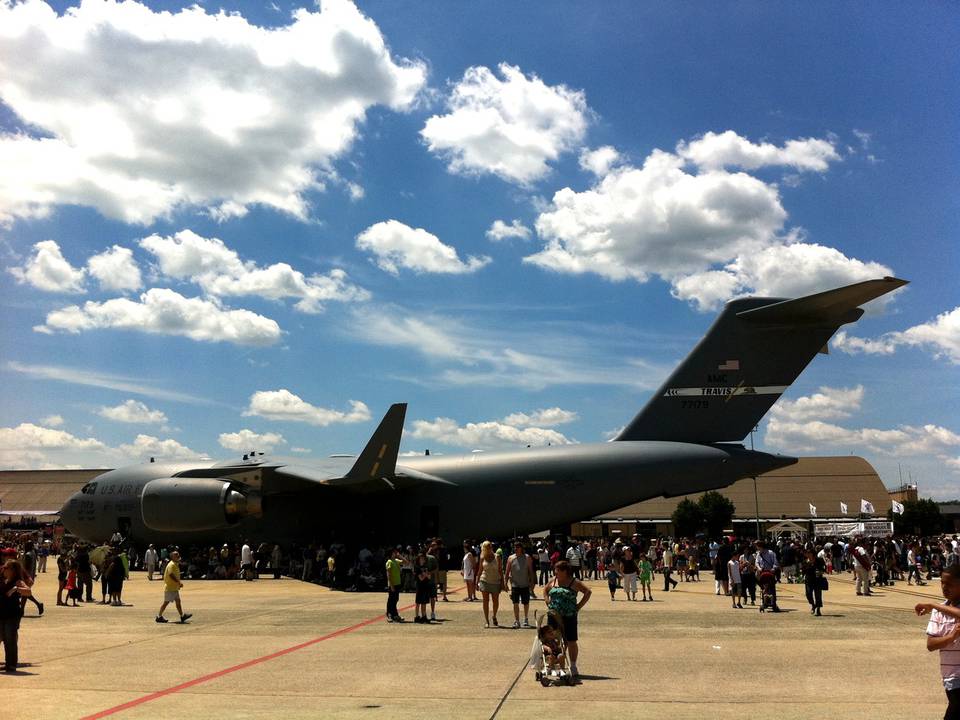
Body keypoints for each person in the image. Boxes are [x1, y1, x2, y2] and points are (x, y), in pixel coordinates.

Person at [916, 564, 960, 720]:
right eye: (942, 582)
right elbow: (931, 645)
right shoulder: (939, 611)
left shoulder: (937, 608)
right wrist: (951, 637)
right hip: (952, 676)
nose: (944, 587)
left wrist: (933, 605)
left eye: (949, 584)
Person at [543, 560, 591, 678]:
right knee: (553, 641)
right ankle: (552, 665)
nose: (555, 572)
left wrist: (578, 606)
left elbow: (588, 592)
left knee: (571, 640)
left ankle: (573, 666)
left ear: (565, 571)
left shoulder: (574, 582)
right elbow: (545, 590)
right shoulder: (553, 581)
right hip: (553, 616)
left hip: (569, 616)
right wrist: (547, 602)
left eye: (557, 570)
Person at [1, 560, 33, 672]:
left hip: (12, 614)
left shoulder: (17, 581)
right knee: (4, 639)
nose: (3, 569)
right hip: (2, 614)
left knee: (10, 639)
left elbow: (28, 592)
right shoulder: (3, 581)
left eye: (6, 567)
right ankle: (8, 663)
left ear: (13, 570)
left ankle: (11, 664)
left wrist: (16, 589)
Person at [504, 541, 536, 628]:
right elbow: (507, 572)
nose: (516, 549)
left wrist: (532, 582)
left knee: (526, 603)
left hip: (525, 584)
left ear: (521, 548)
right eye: (514, 547)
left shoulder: (527, 558)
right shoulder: (511, 558)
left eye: (517, 547)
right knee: (515, 603)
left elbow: (531, 571)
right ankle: (517, 620)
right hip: (515, 584)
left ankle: (526, 619)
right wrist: (505, 583)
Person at [156, 551, 192, 624]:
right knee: (166, 603)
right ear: (172, 557)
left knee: (178, 602)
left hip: (174, 588)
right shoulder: (171, 565)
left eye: (178, 554)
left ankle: (182, 616)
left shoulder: (175, 564)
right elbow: (171, 574)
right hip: (170, 588)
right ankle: (159, 616)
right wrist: (178, 582)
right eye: (176, 555)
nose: (178, 556)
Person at [477, 540, 503, 628]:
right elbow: (480, 570)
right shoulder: (482, 558)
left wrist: (503, 583)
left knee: (495, 601)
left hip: (495, 581)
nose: (488, 548)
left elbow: (500, 570)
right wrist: (477, 581)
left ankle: (494, 616)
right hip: (484, 580)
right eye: (486, 547)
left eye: (489, 547)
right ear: (483, 548)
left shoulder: (497, 557)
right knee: (485, 601)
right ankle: (486, 620)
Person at [755, 540, 780, 612]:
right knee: (764, 589)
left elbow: (775, 562)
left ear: (761, 546)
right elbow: (757, 562)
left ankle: (773, 603)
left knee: (772, 588)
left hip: (770, 573)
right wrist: (759, 568)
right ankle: (765, 602)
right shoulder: (758, 554)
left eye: (758, 546)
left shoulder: (770, 553)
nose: (757, 548)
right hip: (762, 574)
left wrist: (773, 568)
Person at [802, 548, 826, 616]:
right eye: (807, 553)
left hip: (817, 579)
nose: (808, 554)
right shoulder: (805, 561)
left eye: (809, 553)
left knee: (818, 595)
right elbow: (803, 571)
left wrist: (820, 571)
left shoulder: (819, 560)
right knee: (808, 594)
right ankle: (813, 605)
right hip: (808, 580)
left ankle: (818, 609)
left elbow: (824, 568)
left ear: (813, 554)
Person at [385, 547, 403, 622]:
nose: (395, 553)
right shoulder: (389, 562)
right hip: (392, 584)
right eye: (393, 552)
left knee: (395, 599)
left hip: (397, 583)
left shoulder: (396, 560)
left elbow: (407, 563)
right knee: (391, 599)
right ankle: (390, 614)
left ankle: (394, 614)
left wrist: (400, 556)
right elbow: (388, 574)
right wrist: (391, 585)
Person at [413, 551, 432, 624]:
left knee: (424, 602)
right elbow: (420, 578)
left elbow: (429, 577)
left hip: (425, 586)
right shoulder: (417, 567)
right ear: (418, 559)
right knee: (418, 602)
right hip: (419, 586)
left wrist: (425, 574)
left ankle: (424, 616)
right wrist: (425, 574)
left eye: (423, 558)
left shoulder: (425, 567)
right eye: (421, 558)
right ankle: (417, 616)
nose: (423, 560)